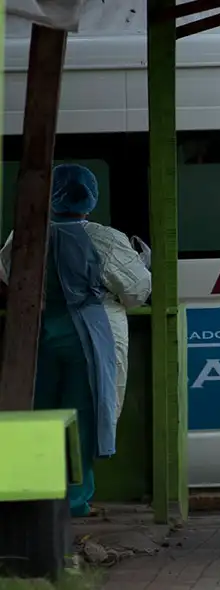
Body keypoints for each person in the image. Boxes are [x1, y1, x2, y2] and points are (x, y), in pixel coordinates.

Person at [0, 164, 151, 517]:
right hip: (92, 337)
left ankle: (35, 501)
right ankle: (74, 501)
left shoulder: (23, 235)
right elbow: (136, 291)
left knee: (42, 413)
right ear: (90, 198)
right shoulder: (105, 239)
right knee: (82, 417)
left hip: (37, 333)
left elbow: (7, 277)